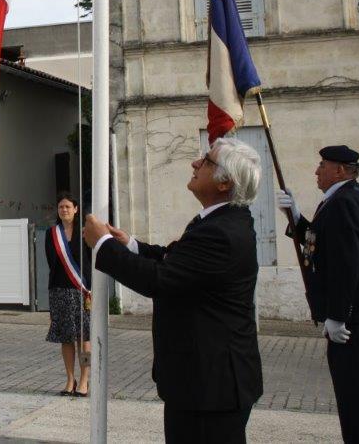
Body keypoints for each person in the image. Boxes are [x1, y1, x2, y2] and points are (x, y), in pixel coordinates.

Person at [83, 137, 263, 444]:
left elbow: (160, 280)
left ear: (224, 183)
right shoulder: (221, 221)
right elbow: (177, 260)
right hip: (203, 382)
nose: (195, 164)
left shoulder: (221, 232)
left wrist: (103, 246)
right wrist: (131, 245)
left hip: (211, 387)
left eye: (207, 162)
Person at [277, 145, 359, 444]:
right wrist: (296, 216)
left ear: (340, 170)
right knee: (352, 396)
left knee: (356, 399)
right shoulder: (341, 198)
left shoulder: (344, 202)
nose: (316, 170)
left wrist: (338, 316)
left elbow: (344, 265)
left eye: (322, 165)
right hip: (356, 312)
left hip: (354, 316)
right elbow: (320, 242)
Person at [44, 192, 93, 397]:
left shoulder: (85, 232)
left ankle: (84, 380)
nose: (64, 210)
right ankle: (69, 379)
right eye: (61, 207)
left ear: (76, 209)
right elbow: (51, 261)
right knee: (66, 337)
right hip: (59, 290)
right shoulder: (51, 233)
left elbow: (91, 259)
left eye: (67, 207)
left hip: (82, 291)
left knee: (84, 337)